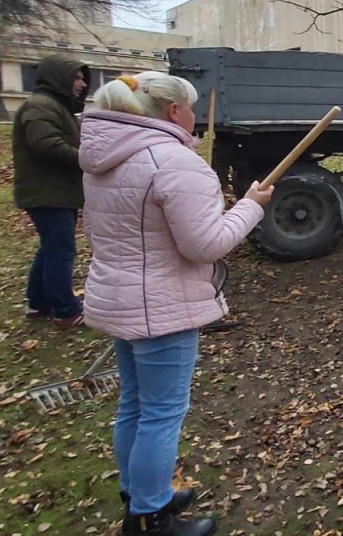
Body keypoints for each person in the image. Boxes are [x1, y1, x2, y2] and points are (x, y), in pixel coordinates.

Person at [79, 72, 274, 536]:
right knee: (162, 412)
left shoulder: (105, 157)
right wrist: (250, 206)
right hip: (160, 306)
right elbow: (205, 245)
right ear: (173, 112)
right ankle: (150, 518)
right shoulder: (173, 161)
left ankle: (140, 492)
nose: (195, 119)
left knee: (135, 404)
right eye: (190, 109)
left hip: (119, 298)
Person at [12, 54, 91, 330]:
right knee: (61, 250)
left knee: (50, 248)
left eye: (83, 78)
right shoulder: (40, 106)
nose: (82, 84)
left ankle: (38, 302)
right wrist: (86, 159)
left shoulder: (57, 107)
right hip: (48, 193)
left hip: (55, 192)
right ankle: (65, 310)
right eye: (77, 78)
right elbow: (46, 144)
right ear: (60, 78)